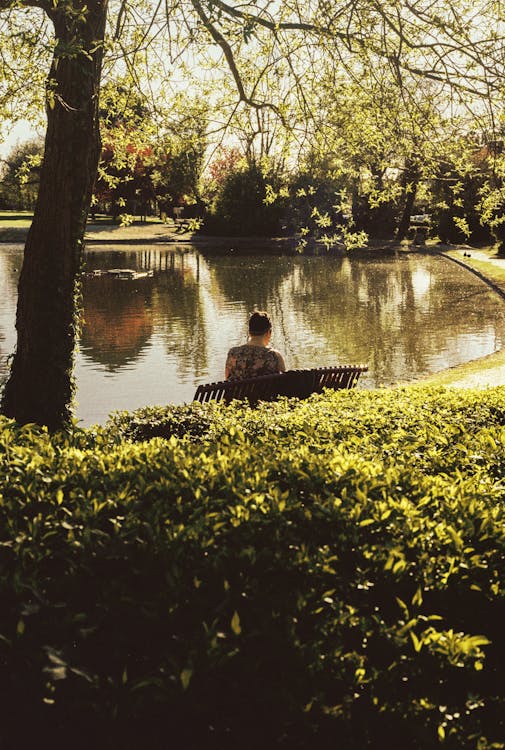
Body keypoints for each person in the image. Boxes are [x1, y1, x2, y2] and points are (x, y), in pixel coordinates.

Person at [225, 311, 286, 380]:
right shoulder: (274, 356)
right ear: (269, 332)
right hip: (265, 391)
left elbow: (227, 379)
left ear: (249, 332)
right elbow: (284, 384)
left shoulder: (233, 353)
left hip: (239, 391)